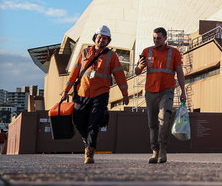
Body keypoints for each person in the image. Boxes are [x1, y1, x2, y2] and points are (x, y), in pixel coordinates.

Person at [60, 25, 129, 164]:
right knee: (78, 119)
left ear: (108, 40)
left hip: (101, 94)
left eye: (105, 38)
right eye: (100, 37)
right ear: (95, 38)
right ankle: (88, 139)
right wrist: (66, 91)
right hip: (82, 92)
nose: (102, 40)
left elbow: (120, 75)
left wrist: (125, 94)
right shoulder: (84, 52)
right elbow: (74, 72)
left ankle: (90, 152)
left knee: (94, 122)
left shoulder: (112, 56)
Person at [134, 27, 186, 164]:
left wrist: (183, 92)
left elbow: (180, 72)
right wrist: (139, 66)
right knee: (152, 123)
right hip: (150, 92)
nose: (156, 40)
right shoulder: (147, 51)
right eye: (154, 38)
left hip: (166, 91)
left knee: (164, 119)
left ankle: (163, 148)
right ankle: (155, 151)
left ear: (165, 38)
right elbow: (137, 72)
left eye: (158, 38)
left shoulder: (173, 52)